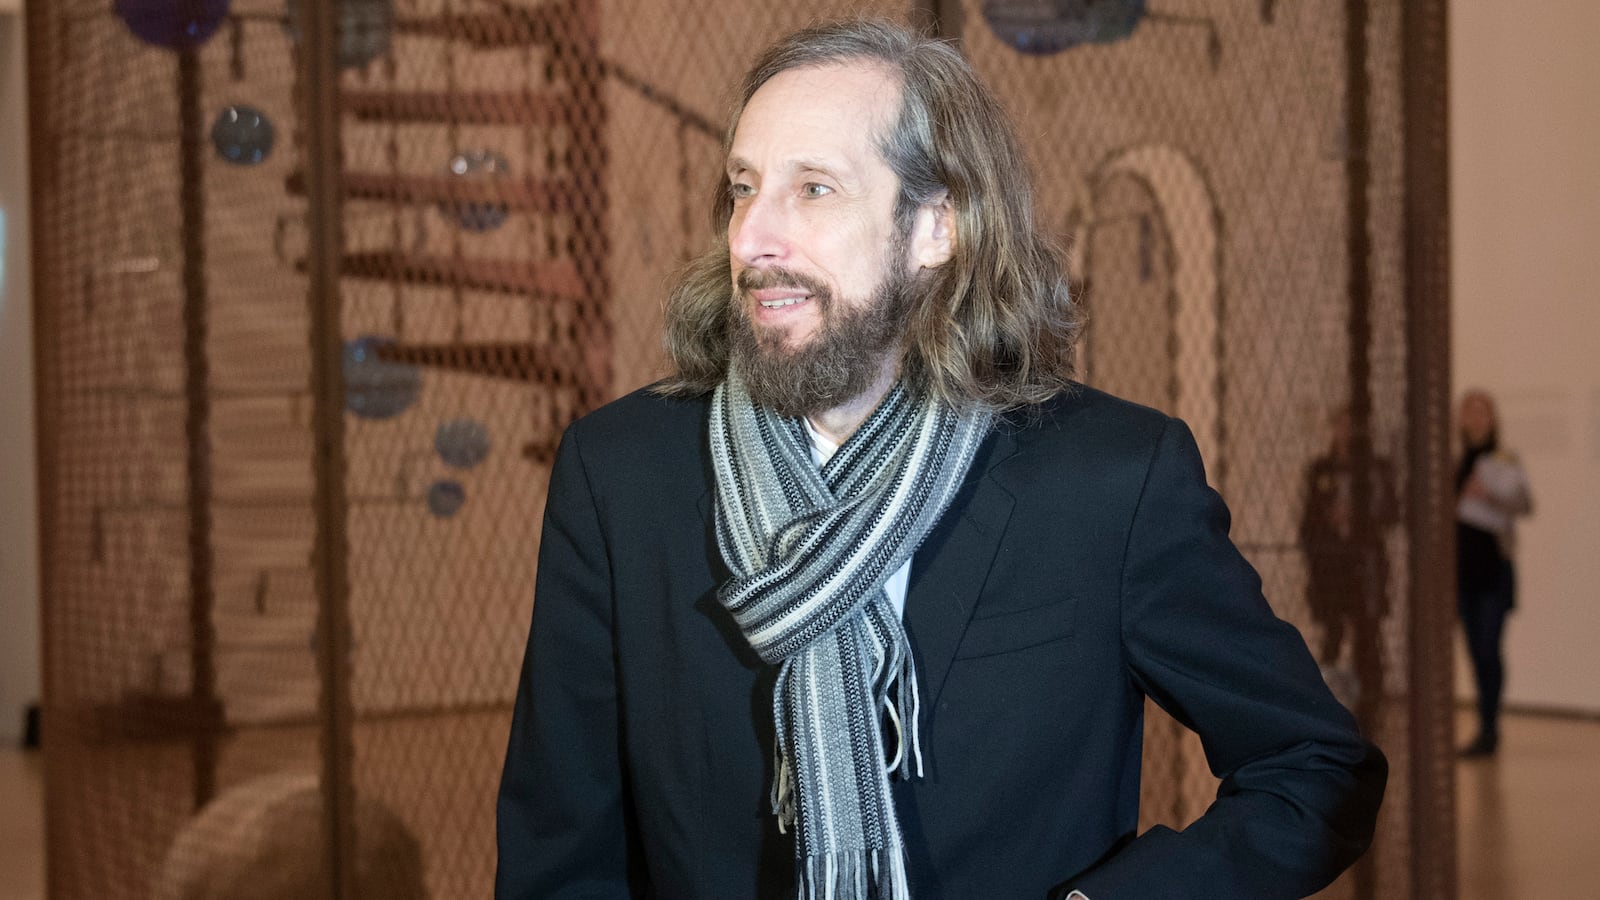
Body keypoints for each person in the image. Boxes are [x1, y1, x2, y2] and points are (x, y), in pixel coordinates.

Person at [497, 19, 1385, 899]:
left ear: (936, 228)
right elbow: (559, 854)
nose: (750, 238)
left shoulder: (1111, 480)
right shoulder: (620, 476)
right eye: (743, 187)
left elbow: (1314, 769)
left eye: (813, 190)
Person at [1299, 407, 1399, 695]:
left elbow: (1392, 512)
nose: (1346, 432)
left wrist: (1359, 517)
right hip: (1331, 560)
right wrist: (1328, 520)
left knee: (1367, 629)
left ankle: (1371, 696)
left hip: (1365, 559)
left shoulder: (1378, 468)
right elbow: (1308, 518)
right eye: (1340, 425)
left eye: (1351, 426)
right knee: (1333, 629)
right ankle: (1324, 696)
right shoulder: (1321, 469)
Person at [1455, 389, 1533, 758]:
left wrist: (1488, 494)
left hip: (1493, 573)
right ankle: (1485, 726)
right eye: (1469, 411)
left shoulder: (1504, 459)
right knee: (1474, 651)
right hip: (1461, 575)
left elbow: (1525, 503)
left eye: (1481, 411)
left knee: (1489, 649)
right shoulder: (1453, 462)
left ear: (1492, 417)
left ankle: (1490, 727)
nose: (1475, 418)